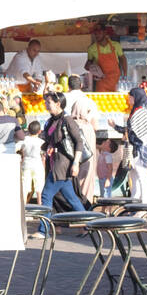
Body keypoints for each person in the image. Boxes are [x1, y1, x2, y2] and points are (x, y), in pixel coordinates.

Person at [38, 91, 85, 227]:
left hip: (63, 163)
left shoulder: (67, 120)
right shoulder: (52, 120)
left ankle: (43, 229)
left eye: (49, 102)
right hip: (55, 161)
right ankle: (87, 224)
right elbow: (51, 139)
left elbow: (79, 142)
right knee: (72, 198)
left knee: (46, 195)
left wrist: (75, 163)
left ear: (58, 104)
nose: (46, 105)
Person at [112, 87, 147, 201]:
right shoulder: (137, 109)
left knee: (141, 175)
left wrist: (118, 128)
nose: (129, 99)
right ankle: (136, 200)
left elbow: (133, 130)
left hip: (141, 147)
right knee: (134, 175)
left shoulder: (140, 111)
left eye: (130, 97)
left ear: (136, 97)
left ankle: (145, 202)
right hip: (137, 146)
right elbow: (130, 130)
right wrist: (116, 127)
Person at [63, 74, 99, 202]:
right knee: (87, 174)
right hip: (87, 138)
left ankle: (70, 203)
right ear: (82, 85)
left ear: (68, 86)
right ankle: (85, 202)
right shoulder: (89, 101)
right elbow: (95, 125)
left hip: (67, 139)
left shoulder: (63, 99)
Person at [84, 24, 128, 93]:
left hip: (116, 81)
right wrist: (91, 68)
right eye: (95, 33)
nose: (97, 35)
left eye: (99, 33)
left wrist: (125, 75)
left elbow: (123, 59)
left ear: (105, 32)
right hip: (102, 83)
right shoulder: (91, 49)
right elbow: (88, 64)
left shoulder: (116, 45)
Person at [20, 121, 44, 203]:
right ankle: (39, 204)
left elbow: (17, 148)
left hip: (26, 163)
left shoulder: (24, 140)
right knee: (39, 186)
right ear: (39, 131)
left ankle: (23, 207)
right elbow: (43, 154)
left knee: (25, 186)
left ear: (28, 130)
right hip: (37, 164)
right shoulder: (41, 142)